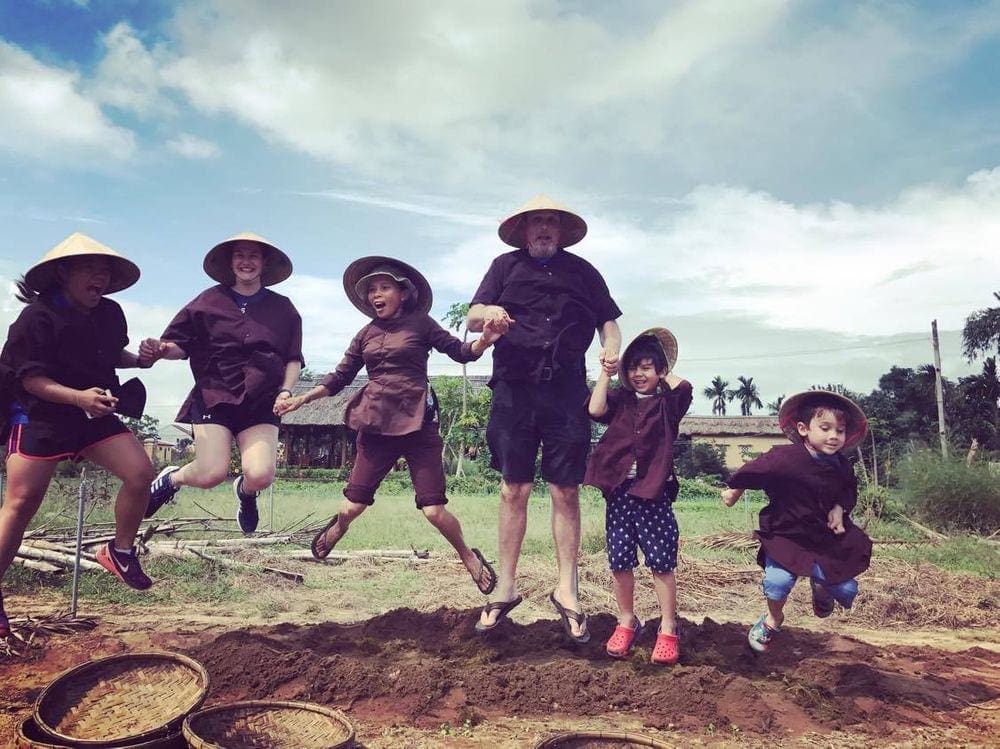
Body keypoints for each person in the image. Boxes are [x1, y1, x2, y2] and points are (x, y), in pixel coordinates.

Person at [276, 256, 504, 595]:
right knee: (352, 507)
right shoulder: (365, 334)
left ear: (403, 292)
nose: (376, 294)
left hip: (418, 425)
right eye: (371, 290)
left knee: (434, 511)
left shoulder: (421, 324)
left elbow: (461, 351)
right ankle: (340, 527)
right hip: (376, 424)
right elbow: (340, 377)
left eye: (384, 287)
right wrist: (300, 399)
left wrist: (484, 340)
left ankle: (468, 557)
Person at [468, 195, 622, 643]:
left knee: (565, 488)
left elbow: (608, 321)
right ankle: (506, 586)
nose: (544, 229)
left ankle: (567, 588)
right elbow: (475, 315)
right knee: (513, 488)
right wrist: (489, 313)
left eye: (551, 222)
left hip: (567, 392)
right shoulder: (503, 266)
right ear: (524, 229)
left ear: (560, 230)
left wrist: (610, 348)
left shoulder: (584, 272)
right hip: (514, 389)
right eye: (537, 222)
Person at [0, 233, 157, 637]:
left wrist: (140, 358)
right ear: (63, 271)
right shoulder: (36, 319)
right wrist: (77, 398)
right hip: (40, 415)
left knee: (141, 473)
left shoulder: (109, 313)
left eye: (105, 270)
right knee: (20, 504)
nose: (100, 276)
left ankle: (119, 552)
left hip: (93, 410)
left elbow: (110, 354)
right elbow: (31, 379)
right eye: (91, 268)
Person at [139, 233, 303, 533]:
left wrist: (286, 390)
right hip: (215, 394)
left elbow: (293, 358)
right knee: (211, 473)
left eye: (254, 255)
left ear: (264, 263)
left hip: (262, 399)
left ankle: (245, 492)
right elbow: (179, 346)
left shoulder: (284, 308)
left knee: (261, 474)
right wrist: (163, 350)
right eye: (240, 255)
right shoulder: (207, 301)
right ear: (231, 262)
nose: (246, 261)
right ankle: (171, 478)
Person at [721, 390, 872, 653]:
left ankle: (821, 587)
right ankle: (772, 620)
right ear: (803, 428)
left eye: (840, 430)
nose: (833, 436)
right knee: (777, 583)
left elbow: (849, 490)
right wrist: (735, 490)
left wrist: (840, 507)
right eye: (825, 428)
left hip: (824, 538)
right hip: (786, 534)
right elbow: (754, 469)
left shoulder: (841, 466)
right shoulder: (784, 458)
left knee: (847, 589)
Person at [585, 328, 692, 664]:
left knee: (661, 563)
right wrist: (607, 372)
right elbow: (595, 408)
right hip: (619, 493)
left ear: (659, 371)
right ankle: (626, 620)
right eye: (634, 367)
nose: (638, 374)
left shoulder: (667, 405)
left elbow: (685, 388)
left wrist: (663, 369)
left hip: (652, 494)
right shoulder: (621, 400)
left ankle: (668, 628)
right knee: (619, 561)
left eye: (647, 367)